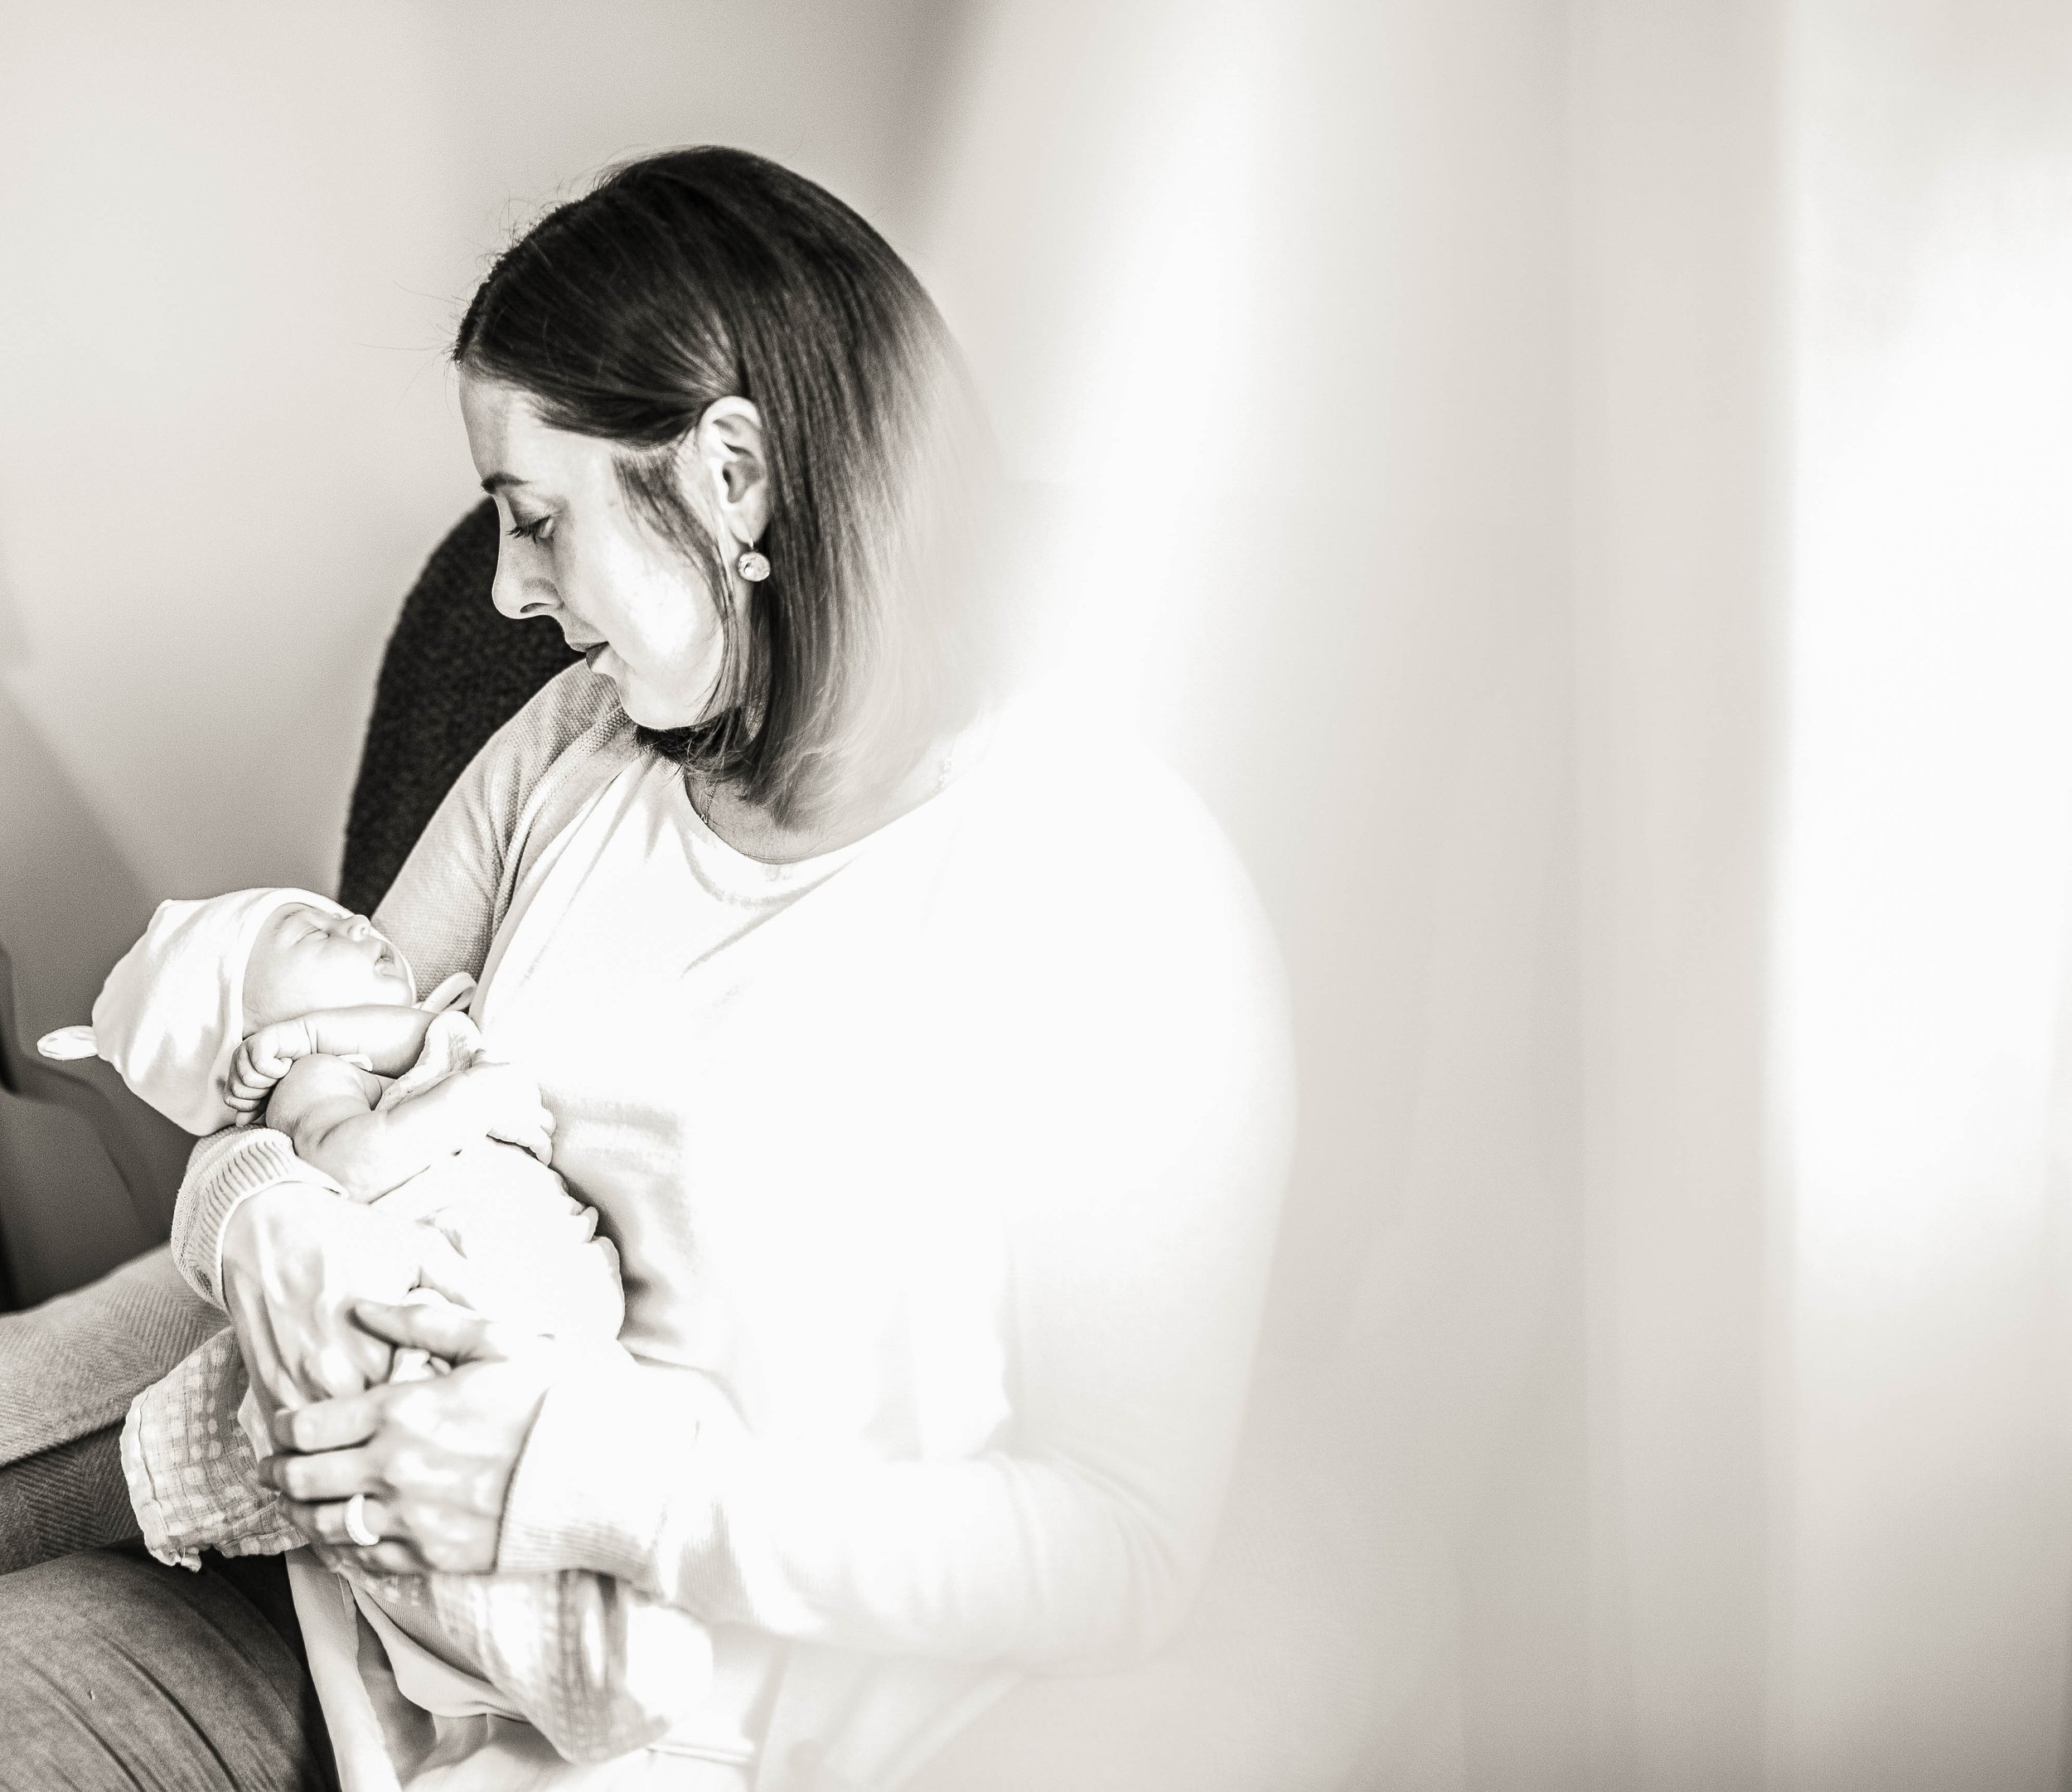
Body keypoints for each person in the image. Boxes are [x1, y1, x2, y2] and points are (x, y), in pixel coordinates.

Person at [0, 145, 1293, 1792]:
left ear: (734, 477)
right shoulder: (575, 747)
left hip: (654, 1719)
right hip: (332, 1596)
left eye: (534, 519)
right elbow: (310, 1041)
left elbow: (1118, 1548)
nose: (504, 591)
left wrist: (603, 1483)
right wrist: (257, 1206)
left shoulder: (1104, 897)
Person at [41, 884, 711, 1762]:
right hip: (438, 1311)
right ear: (240, 1034)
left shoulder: (379, 1049)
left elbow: (415, 1027)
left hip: (545, 1331)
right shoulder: (315, 1088)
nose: (352, 921)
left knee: (574, 1486)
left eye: (333, 911)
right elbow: (348, 1162)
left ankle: (622, 1628)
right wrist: (463, 1101)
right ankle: (599, 1676)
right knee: (463, 1523)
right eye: (301, 927)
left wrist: (321, 1026)